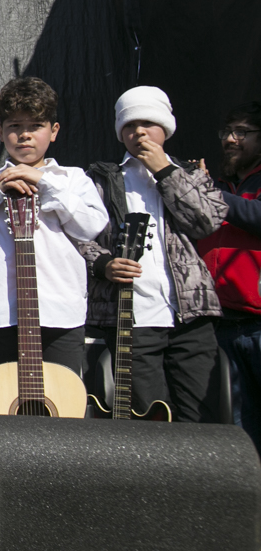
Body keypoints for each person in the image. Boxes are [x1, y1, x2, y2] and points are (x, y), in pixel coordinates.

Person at [79, 86, 224, 423]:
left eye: (148, 123)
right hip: (133, 316)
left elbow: (206, 222)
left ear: (166, 127)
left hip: (191, 315)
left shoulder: (190, 174)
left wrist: (166, 172)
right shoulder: (102, 178)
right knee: (149, 419)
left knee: (201, 417)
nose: (139, 132)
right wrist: (103, 264)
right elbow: (76, 235)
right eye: (130, 125)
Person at [0, 77, 107, 375]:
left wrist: (44, 183)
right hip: (1, 314)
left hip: (60, 314)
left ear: (54, 131)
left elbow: (91, 227)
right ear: (0, 131)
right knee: (6, 399)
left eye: (35, 126)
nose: (24, 135)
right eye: (15, 126)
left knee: (63, 399)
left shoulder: (73, 179)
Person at [198, 100, 261, 445]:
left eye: (242, 132)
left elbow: (256, 217)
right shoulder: (218, 186)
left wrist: (210, 193)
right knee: (238, 431)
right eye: (227, 131)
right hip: (221, 326)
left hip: (258, 325)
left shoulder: (217, 191)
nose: (231, 139)